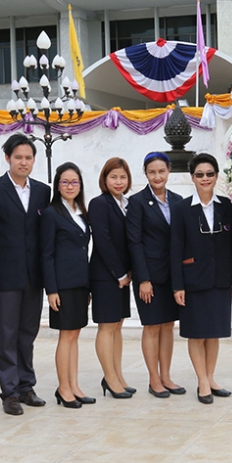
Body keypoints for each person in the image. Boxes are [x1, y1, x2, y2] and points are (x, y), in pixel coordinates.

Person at [0, 134, 51, 416]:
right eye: (18, 157)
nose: (23, 162)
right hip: (4, 277)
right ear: (7, 158)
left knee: (27, 334)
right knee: (6, 335)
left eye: (28, 157)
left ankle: (26, 385)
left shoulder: (43, 192)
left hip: (34, 277)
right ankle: (9, 392)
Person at [171, 153, 232, 404]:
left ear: (216, 176)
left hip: (221, 279)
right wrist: (178, 285)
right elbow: (175, 248)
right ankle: (201, 381)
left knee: (214, 332)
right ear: (192, 177)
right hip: (194, 280)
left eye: (210, 174)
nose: (205, 179)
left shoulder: (226, 206)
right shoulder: (181, 209)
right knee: (196, 333)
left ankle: (211, 378)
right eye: (200, 175)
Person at [127, 152, 185, 398]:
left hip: (173, 276)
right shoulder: (137, 202)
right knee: (152, 326)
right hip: (149, 277)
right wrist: (143, 279)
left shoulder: (179, 200)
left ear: (169, 171)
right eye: (152, 172)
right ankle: (154, 379)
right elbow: (134, 242)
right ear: (146, 174)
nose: (157, 176)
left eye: (161, 171)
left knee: (168, 326)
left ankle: (166, 376)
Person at [41, 162, 94, 409]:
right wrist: (51, 289)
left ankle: (73, 385)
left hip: (80, 283)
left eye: (74, 182)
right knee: (66, 336)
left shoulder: (81, 211)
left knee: (75, 335)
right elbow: (47, 254)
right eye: (65, 182)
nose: (70, 186)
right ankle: (63, 388)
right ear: (57, 185)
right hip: (62, 286)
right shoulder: (52, 213)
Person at [89, 158, 134, 399]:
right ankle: (109, 377)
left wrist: (129, 273)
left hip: (123, 276)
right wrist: (119, 273)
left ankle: (118, 375)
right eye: (114, 177)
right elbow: (103, 241)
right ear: (105, 179)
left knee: (118, 326)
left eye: (123, 177)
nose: (119, 181)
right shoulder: (99, 204)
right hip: (106, 275)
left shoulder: (126, 203)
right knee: (107, 327)